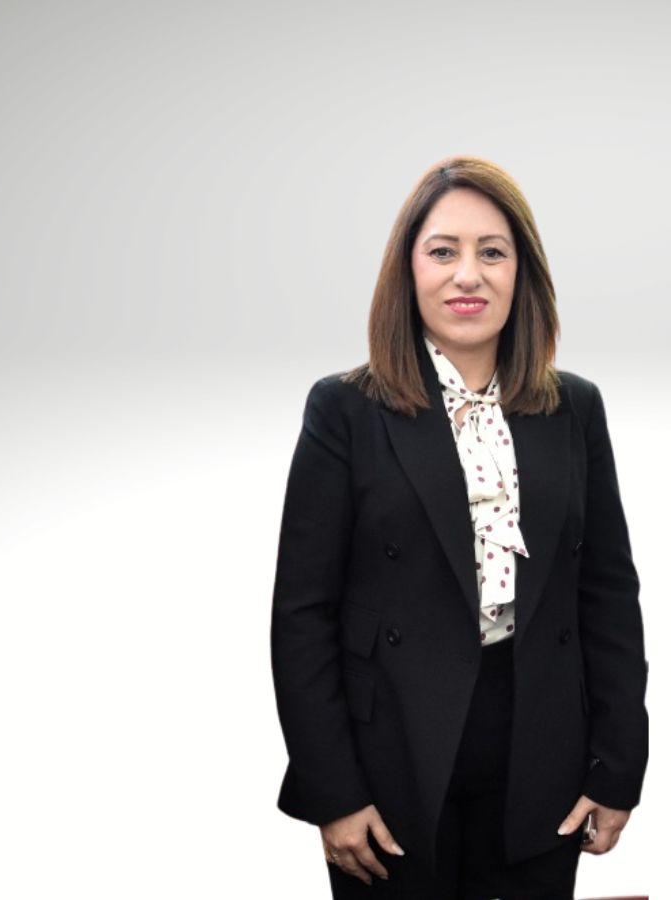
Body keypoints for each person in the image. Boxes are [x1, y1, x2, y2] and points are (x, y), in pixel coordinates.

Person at [270, 155, 648, 899]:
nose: (468, 275)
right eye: (443, 251)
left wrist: (617, 766)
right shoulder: (345, 410)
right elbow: (302, 615)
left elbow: (607, 595)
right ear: (407, 270)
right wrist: (333, 792)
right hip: (391, 758)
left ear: (522, 272)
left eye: (492, 252)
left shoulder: (575, 407)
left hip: (543, 753)